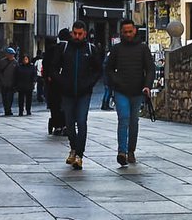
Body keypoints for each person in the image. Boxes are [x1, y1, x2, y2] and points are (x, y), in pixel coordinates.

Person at [51, 19, 103, 169]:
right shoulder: (64, 48)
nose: (78, 36)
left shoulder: (90, 49)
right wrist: (61, 81)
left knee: (81, 121)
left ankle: (79, 154)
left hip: (84, 93)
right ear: (72, 33)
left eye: (80, 34)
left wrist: (89, 83)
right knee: (69, 123)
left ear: (85, 33)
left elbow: (98, 70)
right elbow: (54, 67)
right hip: (67, 92)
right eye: (75, 33)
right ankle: (73, 148)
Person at [106, 19, 153, 166]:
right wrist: (115, 81)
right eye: (125, 32)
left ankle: (131, 150)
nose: (128, 34)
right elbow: (108, 68)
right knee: (124, 119)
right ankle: (122, 151)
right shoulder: (116, 49)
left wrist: (147, 86)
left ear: (135, 31)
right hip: (121, 91)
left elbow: (150, 69)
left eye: (130, 31)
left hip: (138, 91)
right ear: (121, 32)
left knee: (134, 122)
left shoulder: (143, 48)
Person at [43, 29, 70, 136]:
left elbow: (46, 64)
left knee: (55, 104)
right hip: (66, 82)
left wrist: (48, 77)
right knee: (66, 104)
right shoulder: (71, 49)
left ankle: (57, 125)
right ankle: (65, 124)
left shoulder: (52, 49)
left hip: (53, 82)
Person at [0, 47, 17, 117]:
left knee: (10, 98)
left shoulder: (15, 62)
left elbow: (17, 73)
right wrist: (1, 80)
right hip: (4, 83)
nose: (11, 56)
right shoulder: (2, 61)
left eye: (12, 54)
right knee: (4, 98)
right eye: (10, 54)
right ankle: (6, 110)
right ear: (7, 54)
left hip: (12, 84)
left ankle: (9, 109)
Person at [13, 50, 36, 116]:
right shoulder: (19, 67)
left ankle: (28, 110)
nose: (25, 60)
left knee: (29, 99)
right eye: (24, 59)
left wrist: (34, 81)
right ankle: (21, 111)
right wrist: (15, 84)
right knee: (21, 99)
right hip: (21, 85)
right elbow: (16, 75)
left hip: (29, 84)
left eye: (26, 59)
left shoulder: (32, 67)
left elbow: (34, 75)